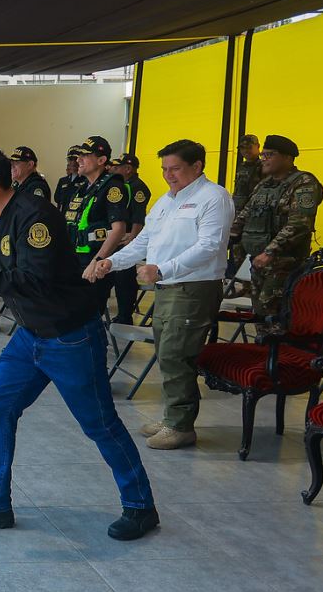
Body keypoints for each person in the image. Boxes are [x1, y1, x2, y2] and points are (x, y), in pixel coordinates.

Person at [0, 148, 158, 541]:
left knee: (99, 423)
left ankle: (140, 507)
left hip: (70, 337)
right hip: (30, 336)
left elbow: (35, 282)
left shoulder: (37, 216)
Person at [87, 140, 234, 450]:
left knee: (176, 354)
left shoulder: (213, 197)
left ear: (197, 166)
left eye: (175, 169)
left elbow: (209, 247)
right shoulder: (167, 201)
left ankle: (181, 427)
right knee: (167, 353)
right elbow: (144, 242)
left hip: (194, 287)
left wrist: (163, 270)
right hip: (167, 288)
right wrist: (112, 261)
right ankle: (172, 418)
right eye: (165, 169)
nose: (169, 175)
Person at [231, 134, 323, 319]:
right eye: (263, 155)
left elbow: (299, 224)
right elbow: (246, 213)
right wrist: (229, 236)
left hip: (284, 262)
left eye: (270, 155)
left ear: (288, 157)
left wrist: (270, 252)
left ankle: (277, 348)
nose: (264, 159)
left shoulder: (304, 183)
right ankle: (263, 347)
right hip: (259, 260)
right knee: (259, 311)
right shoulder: (264, 184)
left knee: (273, 313)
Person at [63, 136, 134, 311]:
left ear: (101, 160)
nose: (78, 160)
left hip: (94, 259)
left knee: (86, 315)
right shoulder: (83, 188)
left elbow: (119, 229)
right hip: (75, 259)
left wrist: (97, 261)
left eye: (85, 156)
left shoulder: (112, 187)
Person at [108, 154, 153, 324]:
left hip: (128, 238)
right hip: (120, 238)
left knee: (124, 278)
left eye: (117, 167)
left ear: (128, 168)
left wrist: (132, 239)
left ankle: (125, 315)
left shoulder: (137, 187)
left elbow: (138, 217)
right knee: (117, 276)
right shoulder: (123, 185)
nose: (113, 169)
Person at [230, 133, 264, 226]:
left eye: (249, 147)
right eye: (242, 148)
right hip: (238, 210)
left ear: (257, 146)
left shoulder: (263, 166)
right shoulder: (241, 166)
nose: (245, 151)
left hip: (254, 211)